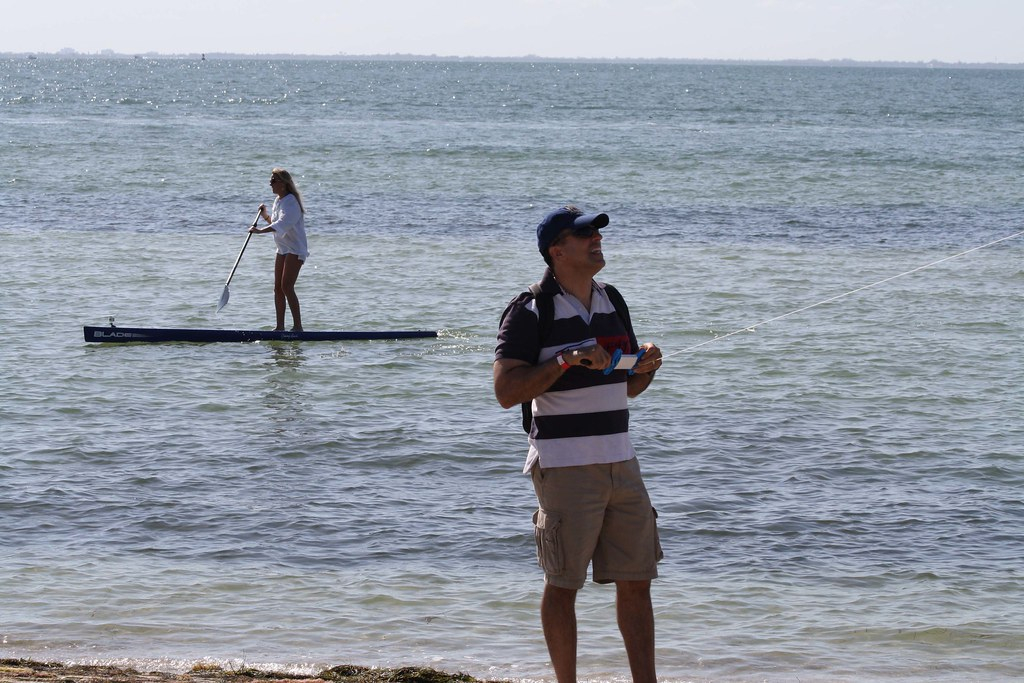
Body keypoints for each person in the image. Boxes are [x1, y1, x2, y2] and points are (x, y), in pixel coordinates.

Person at [493, 205, 665, 683]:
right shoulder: (530, 308)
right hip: (564, 466)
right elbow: (507, 392)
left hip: (622, 462)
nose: (596, 239)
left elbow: (627, 386)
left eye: (597, 232)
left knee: (637, 582)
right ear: (557, 250)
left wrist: (647, 366)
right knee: (563, 584)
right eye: (584, 233)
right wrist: (568, 359)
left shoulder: (613, 299)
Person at [249, 168, 308, 331]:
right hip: (282, 248)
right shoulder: (279, 200)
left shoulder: (291, 202)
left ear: (283, 183)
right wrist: (265, 216)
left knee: (287, 287)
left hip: (295, 249)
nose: (270, 183)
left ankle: (298, 327)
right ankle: (279, 327)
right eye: (270, 180)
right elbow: (274, 222)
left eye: (273, 180)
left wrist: (260, 231)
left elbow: (282, 224)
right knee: (278, 288)